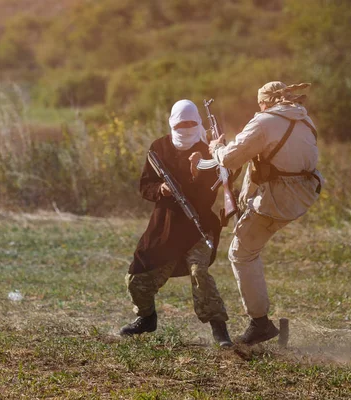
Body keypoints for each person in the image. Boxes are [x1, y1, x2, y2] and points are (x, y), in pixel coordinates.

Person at [207, 81, 323, 345]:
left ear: (265, 102)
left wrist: (215, 147)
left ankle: (260, 323)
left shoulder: (264, 122)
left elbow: (229, 158)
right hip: (303, 195)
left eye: (260, 103)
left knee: (241, 253)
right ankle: (260, 321)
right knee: (249, 246)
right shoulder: (305, 120)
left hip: (278, 200)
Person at [119, 99, 233, 347]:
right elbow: (144, 186)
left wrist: (195, 173)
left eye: (192, 123)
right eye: (181, 123)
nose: (186, 127)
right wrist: (161, 189)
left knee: (199, 273)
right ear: (172, 122)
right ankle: (146, 318)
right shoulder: (158, 147)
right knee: (136, 278)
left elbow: (209, 194)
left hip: (199, 226)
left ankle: (219, 329)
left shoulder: (208, 150)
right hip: (165, 226)